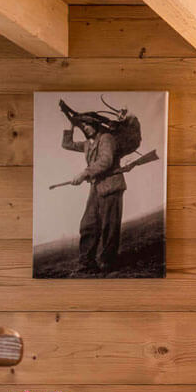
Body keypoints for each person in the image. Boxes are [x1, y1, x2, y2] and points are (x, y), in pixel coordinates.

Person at [62, 110, 125, 274]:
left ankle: (108, 263)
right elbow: (67, 144)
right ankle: (87, 263)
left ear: (96, 124)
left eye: (88, 123)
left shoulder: (106, 139)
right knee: (88, 224)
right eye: (82, 124)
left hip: (111, 185)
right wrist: (70, 125)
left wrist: (84, 173)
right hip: (96, 187)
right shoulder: (87, 144)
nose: (85, 127)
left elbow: (106, 161)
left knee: (109, 226)